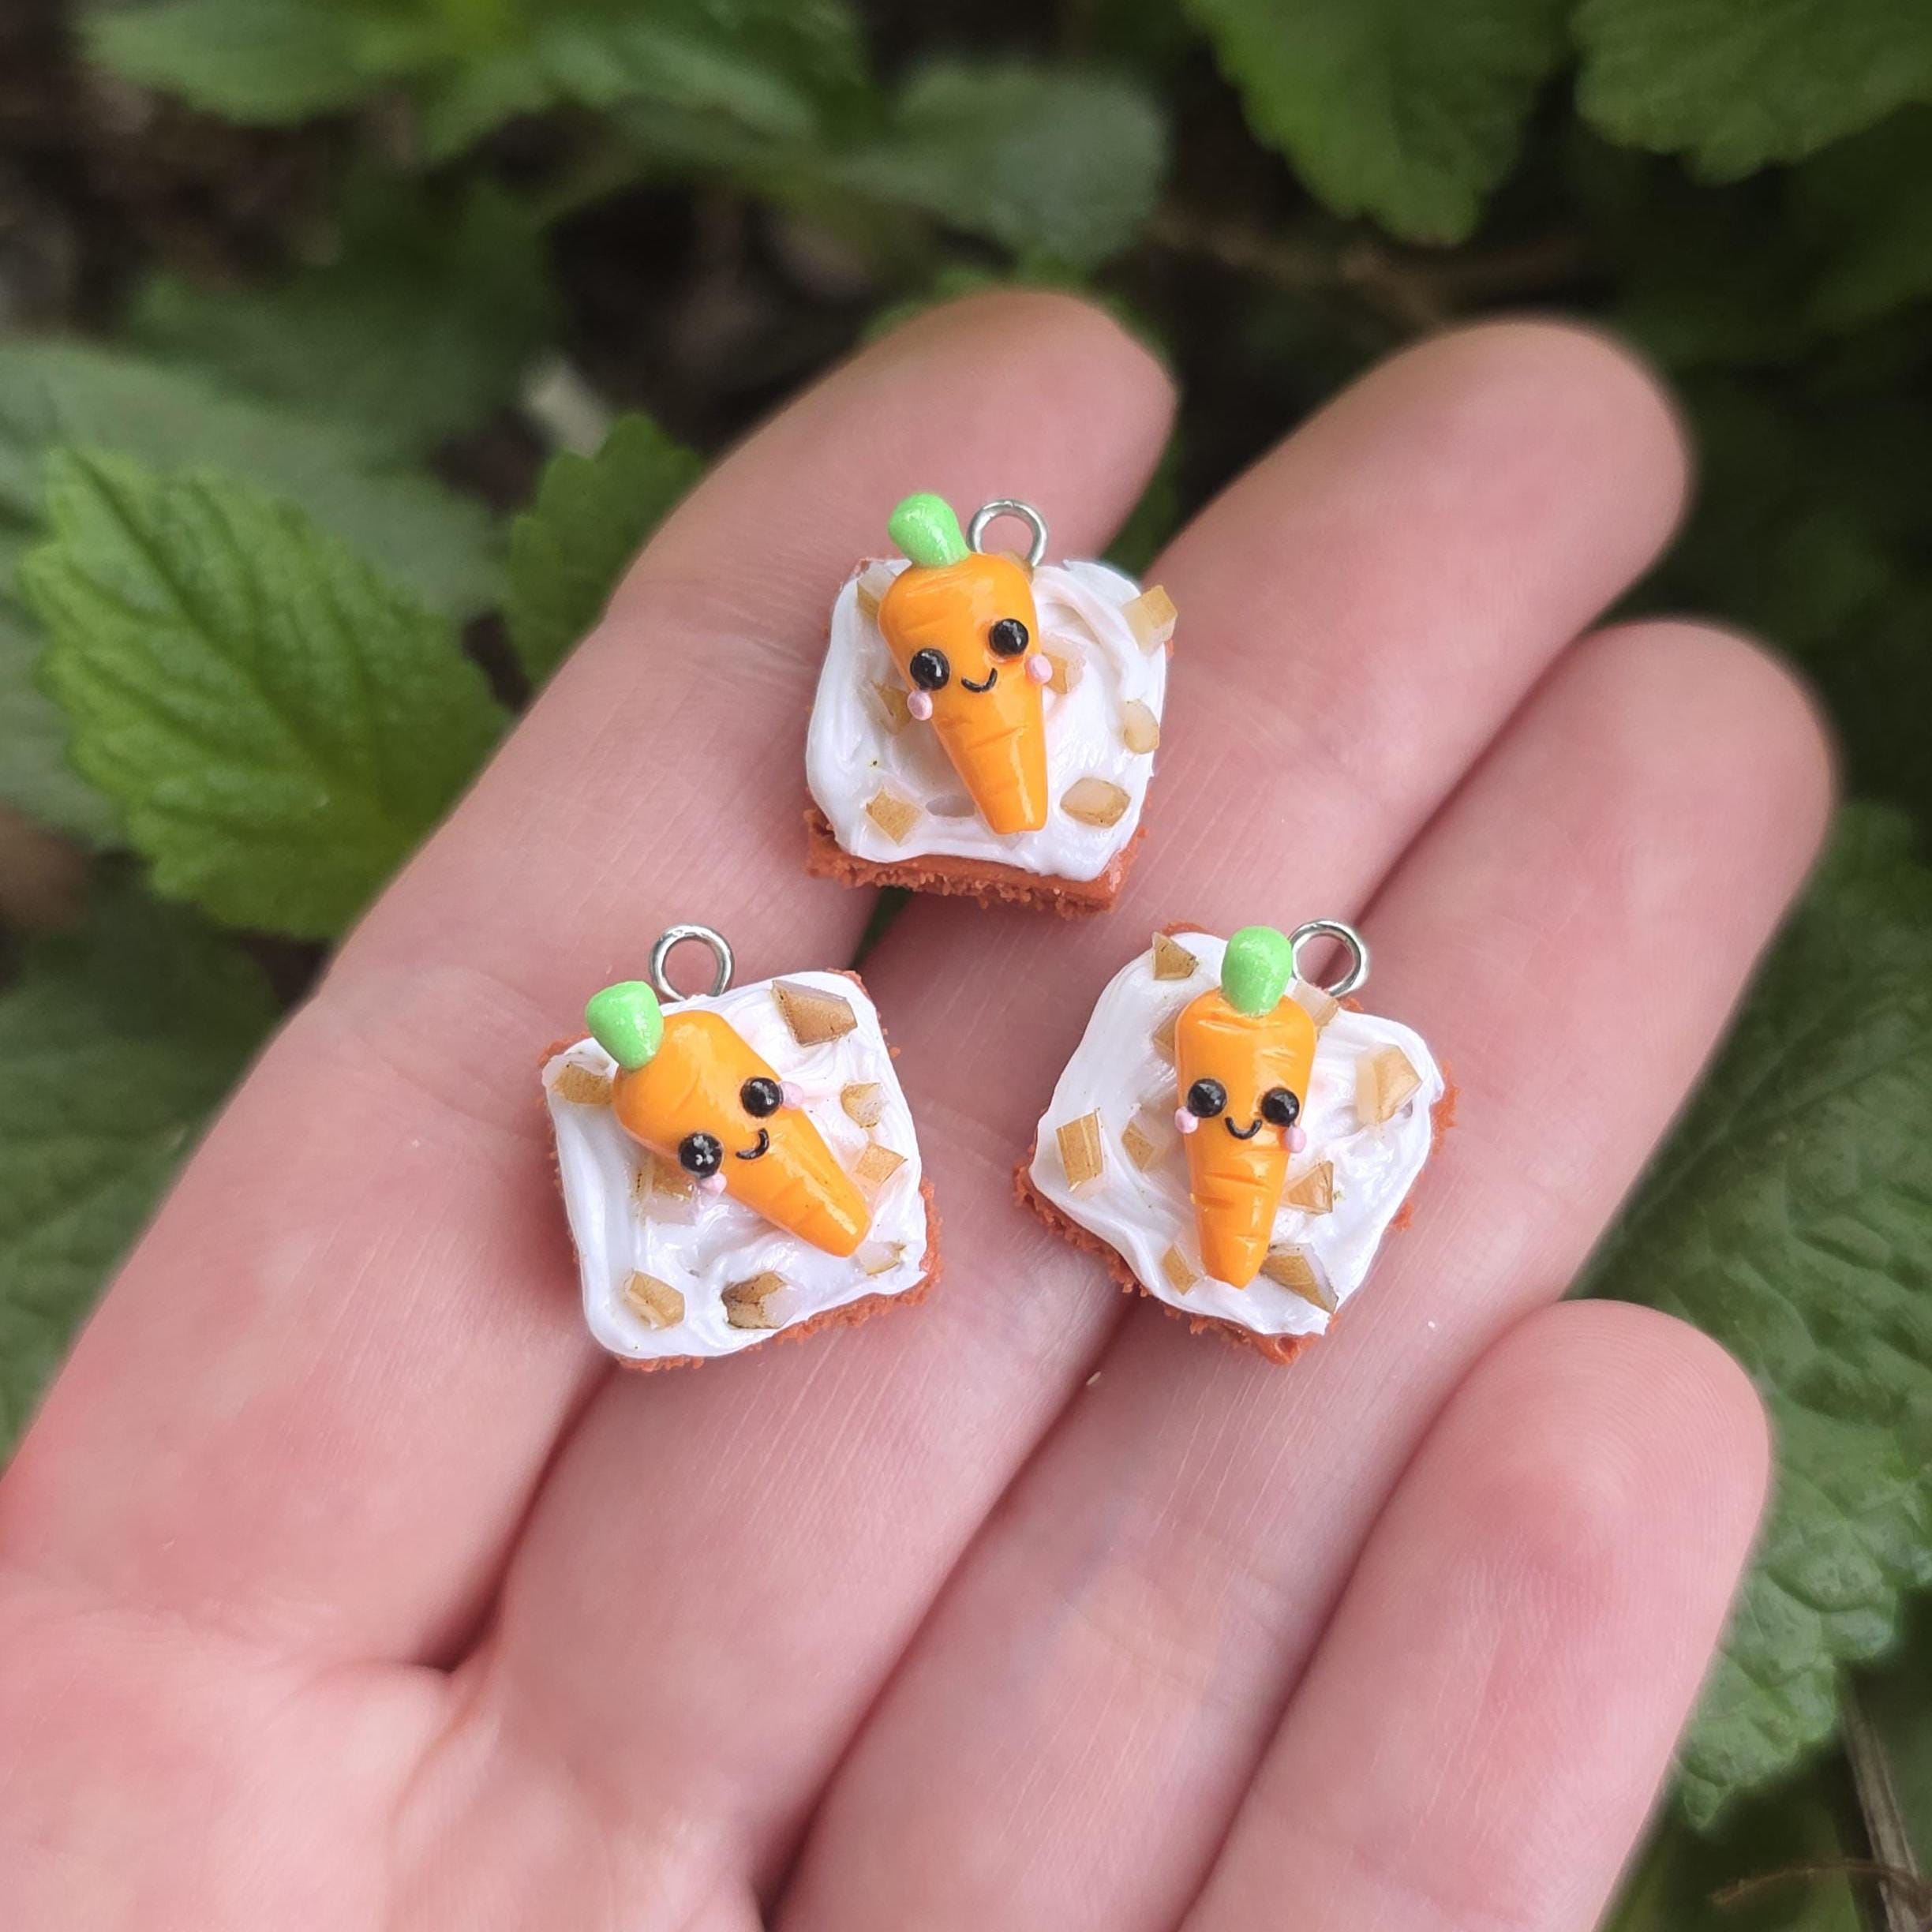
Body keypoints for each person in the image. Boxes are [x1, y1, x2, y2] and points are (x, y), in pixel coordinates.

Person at [0, 293, 1830, 1929]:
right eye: (952, 676)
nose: (976, 708)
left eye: (994, 670)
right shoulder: (743, 1098)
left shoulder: (1197, 1023)